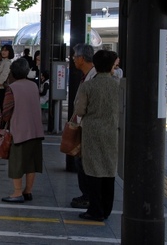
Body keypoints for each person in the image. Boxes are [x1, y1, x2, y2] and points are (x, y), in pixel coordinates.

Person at [74, 50, 120, 221]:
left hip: (92, 131)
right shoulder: (118, 85)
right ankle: (107, 209)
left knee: (93, 170)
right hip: (111, 131)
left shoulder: (88, 86)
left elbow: (80, 110)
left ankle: (95, 209)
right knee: (108, 169)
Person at [0, 58, 45, 203]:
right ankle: (28, 191)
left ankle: (17, 192)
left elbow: (6, 112)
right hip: (36, 130)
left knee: (17, 163)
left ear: (12, 72)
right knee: (31, 163)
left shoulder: (12, 88)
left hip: (20, 131)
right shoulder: (33, 86)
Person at [70, 43, 97, 209]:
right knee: (80, 162)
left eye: (74, 56)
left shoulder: (94, 78)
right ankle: (86, 194)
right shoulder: (86, 76)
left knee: (85, 164)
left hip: (89, 128)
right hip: (82, 127)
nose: (73, 59)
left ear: (82, 58)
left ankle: (89, 196)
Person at [0, 44, 15, 124]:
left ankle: (3, 128)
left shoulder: (7, 63)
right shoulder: (2, 62)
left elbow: (4, 76)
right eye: (2, 50)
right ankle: (3, 127)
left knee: (3, 108)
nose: (3, 52)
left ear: (10, 52)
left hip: (2, 89)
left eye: (6, 50)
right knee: (0, 108)